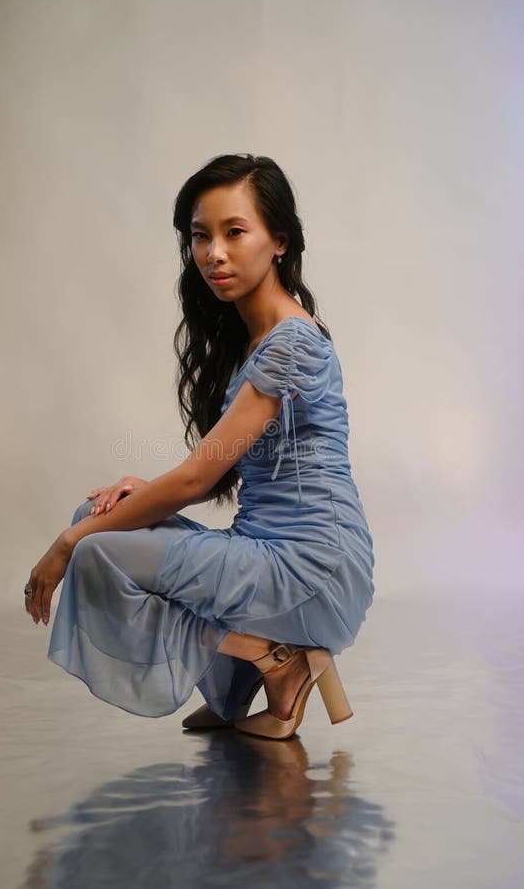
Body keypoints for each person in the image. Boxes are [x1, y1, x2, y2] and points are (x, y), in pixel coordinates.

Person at [24, 153, 375, 740]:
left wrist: (64, 545)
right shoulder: (254, 339)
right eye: (200, 236)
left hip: (313, 566)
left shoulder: (291, 342)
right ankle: (256, 669)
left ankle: (276, 659)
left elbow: (195, 479)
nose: (214, 253)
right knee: (95, 517)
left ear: (279, 241)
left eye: (235, 232)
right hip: (265, 548)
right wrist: (138, 495)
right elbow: (218, 469)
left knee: (92, 547)